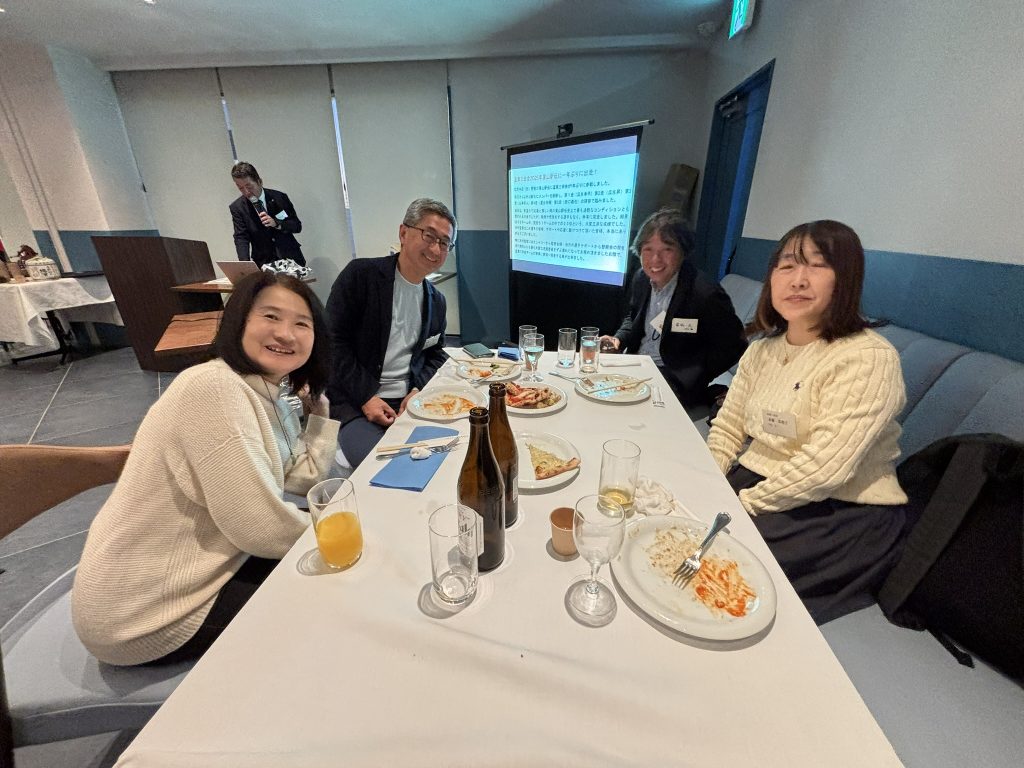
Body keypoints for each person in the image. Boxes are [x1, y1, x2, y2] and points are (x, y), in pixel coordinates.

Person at [72, 271, 339, 666]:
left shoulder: (266, 392)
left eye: (302, 323)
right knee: (336, 594)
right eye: (270, 316)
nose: (286, 333)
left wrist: (319, 412)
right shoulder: (213, 388)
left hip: (203, 567)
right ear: (239, 321)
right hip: (141, 614)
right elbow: (261, 530)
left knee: (329, 550)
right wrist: (350, 532)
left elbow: (304, 478)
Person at [706, 220, 908, 624]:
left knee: (719, 575)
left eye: (817, 265)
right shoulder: (762, 350)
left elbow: (824, 470)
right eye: (786, 266)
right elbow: (728, 429)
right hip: (762, 483)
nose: (797, 280)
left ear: (845, 278)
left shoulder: (868, 357)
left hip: (839, 509)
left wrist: (739, 507)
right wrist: (709, 485)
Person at [326, 198, 453, 466]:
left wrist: (418, 389)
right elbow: (333, 343)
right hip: (356, 401)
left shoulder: (436, 300)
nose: (436, 249)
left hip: (410, 402)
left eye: (444, 243)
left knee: (447, 456)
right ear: (403, 233)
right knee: (385, 469)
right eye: (429, 236)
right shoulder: (361, 276)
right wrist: (366, 397)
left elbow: (436, 354)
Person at [601, 208, 746, 411]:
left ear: (683, 251)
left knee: (623, 411)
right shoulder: (641, 278)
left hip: (671, 380)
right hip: (635, 365)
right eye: (648, 249)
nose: (655, 259)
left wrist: (692, 376)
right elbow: (633, 317)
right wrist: (619, 339)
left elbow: (735, 345)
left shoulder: (704, 293)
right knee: (592, 385)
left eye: (667, 249)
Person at [229, 161, 305, 267]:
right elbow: (241, 237)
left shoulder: (279, 197)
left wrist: (276, 223)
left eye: (249, 186)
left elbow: (296, 226)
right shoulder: (237, 208)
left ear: (259, 182)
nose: (246, 192)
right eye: (241, 188)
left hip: (290, 259)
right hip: (264, 263)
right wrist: (245, 265)